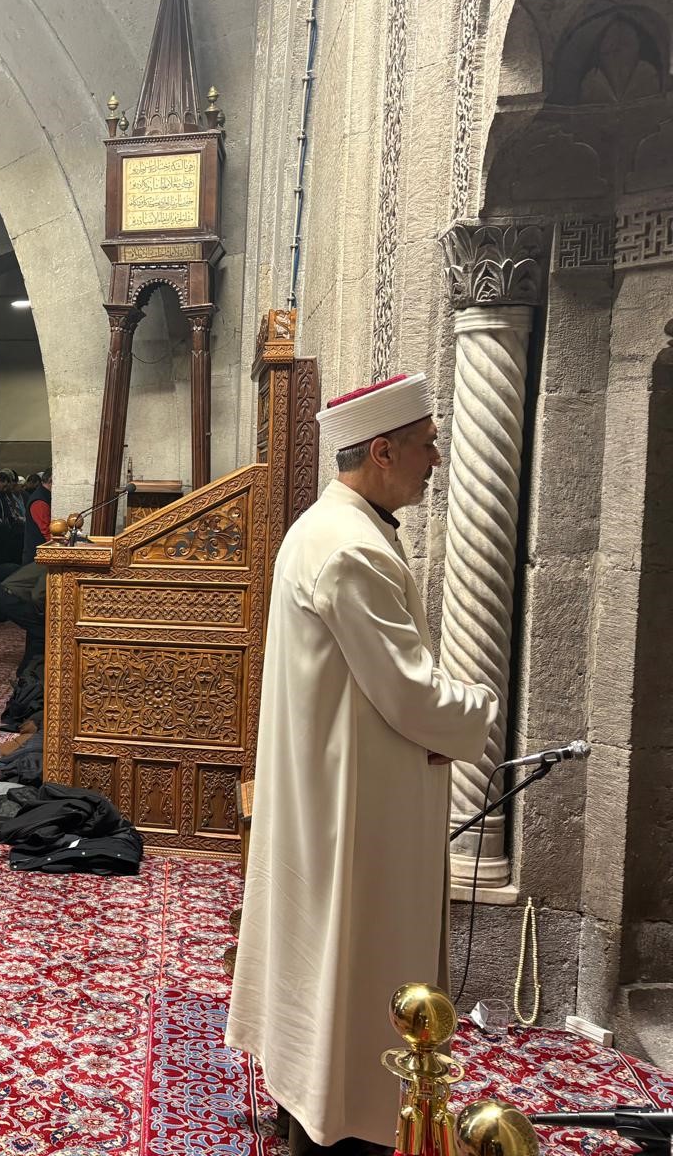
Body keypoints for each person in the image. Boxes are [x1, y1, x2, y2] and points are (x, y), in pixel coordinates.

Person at [226, 373, 498, 1156]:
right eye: (426, 445)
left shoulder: (332, 527)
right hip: (356, 808)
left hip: (341, 786)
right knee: (356, 971)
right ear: (382, 451)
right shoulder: (349, 548)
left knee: (324, 963)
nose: (436, 460)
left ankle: (315, 1103)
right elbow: (409, 693)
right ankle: (346, 1120)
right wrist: (478, 708)